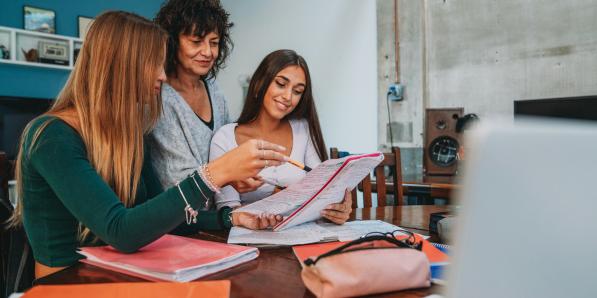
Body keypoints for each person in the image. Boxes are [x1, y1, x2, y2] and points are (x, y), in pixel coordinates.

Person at [7, 11, 286, 279]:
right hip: (65, 285)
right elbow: (122, 231)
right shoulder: (51, 136)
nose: (162, 76)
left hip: (120, 275)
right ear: (121, 65)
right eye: (154, 63)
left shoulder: (129, 136)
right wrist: (214, 175)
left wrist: (230, 219)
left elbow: (160, 218)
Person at [210, 49, 352, 224]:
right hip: (248, 241)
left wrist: (338, 208)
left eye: (297, 91)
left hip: (301, 234)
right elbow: (229, 212)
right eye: (281, 84)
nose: (288, 97)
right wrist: (275, 202)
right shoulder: (224, 138)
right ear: (258, 84)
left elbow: (321, 193)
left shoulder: (303, 129)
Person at [149, 0, 236, 196]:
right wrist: (233, 176)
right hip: (182, 218)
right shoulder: (159, 97)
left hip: (221, 212)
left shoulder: (214, 90)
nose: (207, 52)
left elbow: (229, 146)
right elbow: (177, 180)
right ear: (172, 41)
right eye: (196, 41)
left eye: (214, 43)